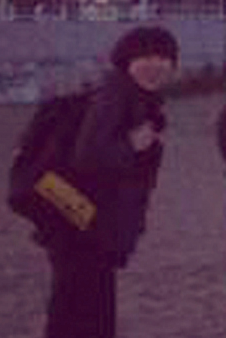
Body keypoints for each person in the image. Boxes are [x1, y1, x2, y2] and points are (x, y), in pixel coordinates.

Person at [42, 26, 177, 338]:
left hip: (88, 219)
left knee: (81, 309)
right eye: (145, 56)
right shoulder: (116, 93)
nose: (155, 64)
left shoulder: (137, 97)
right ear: (127, 59)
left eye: (164, 57)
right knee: (81, 312)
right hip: (84, 221)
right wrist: (132, 145)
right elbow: (88, 156)